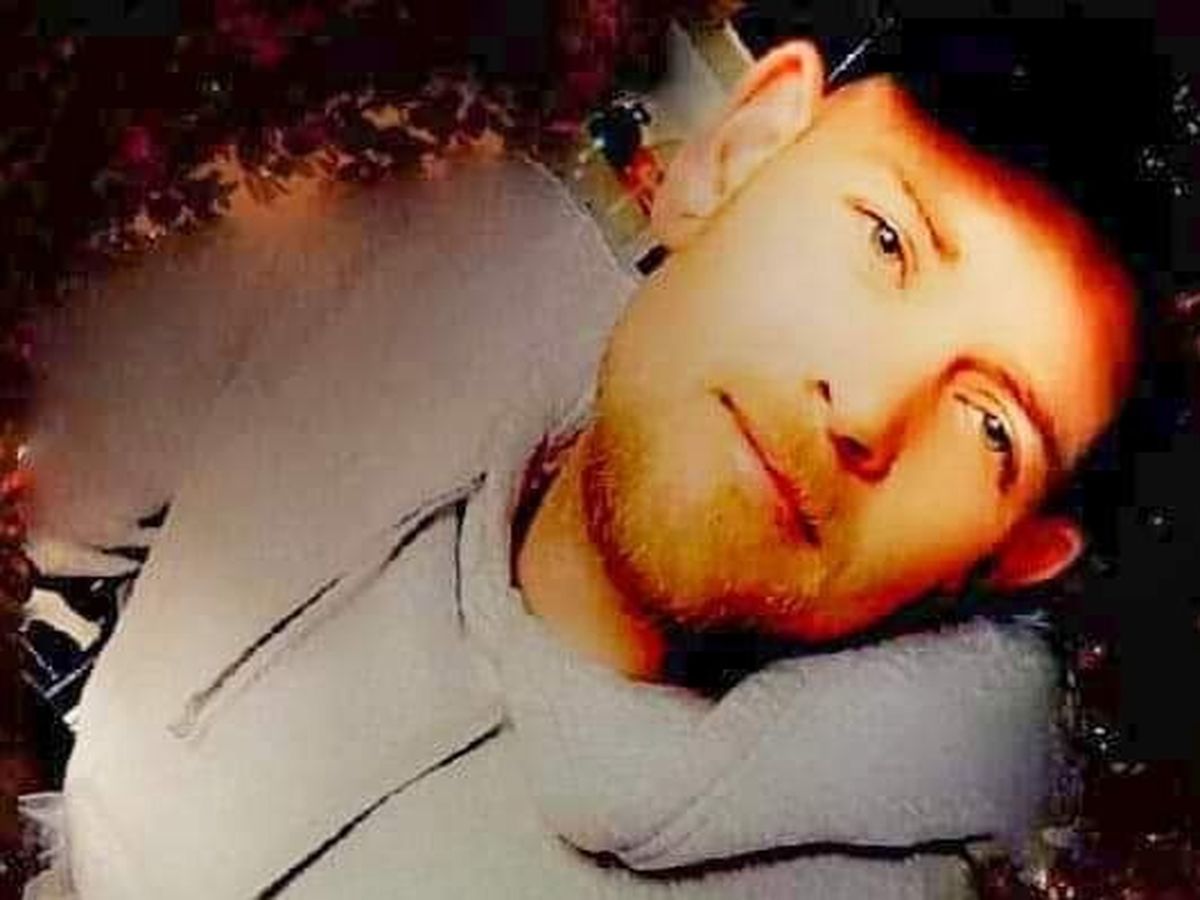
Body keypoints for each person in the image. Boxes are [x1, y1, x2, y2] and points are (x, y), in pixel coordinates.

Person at [21, 14, 1175, 900]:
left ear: (1008, 556)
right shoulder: (409, 234)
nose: (868, 407)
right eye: (883, 241)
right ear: (735, 156)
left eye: (990, 428)